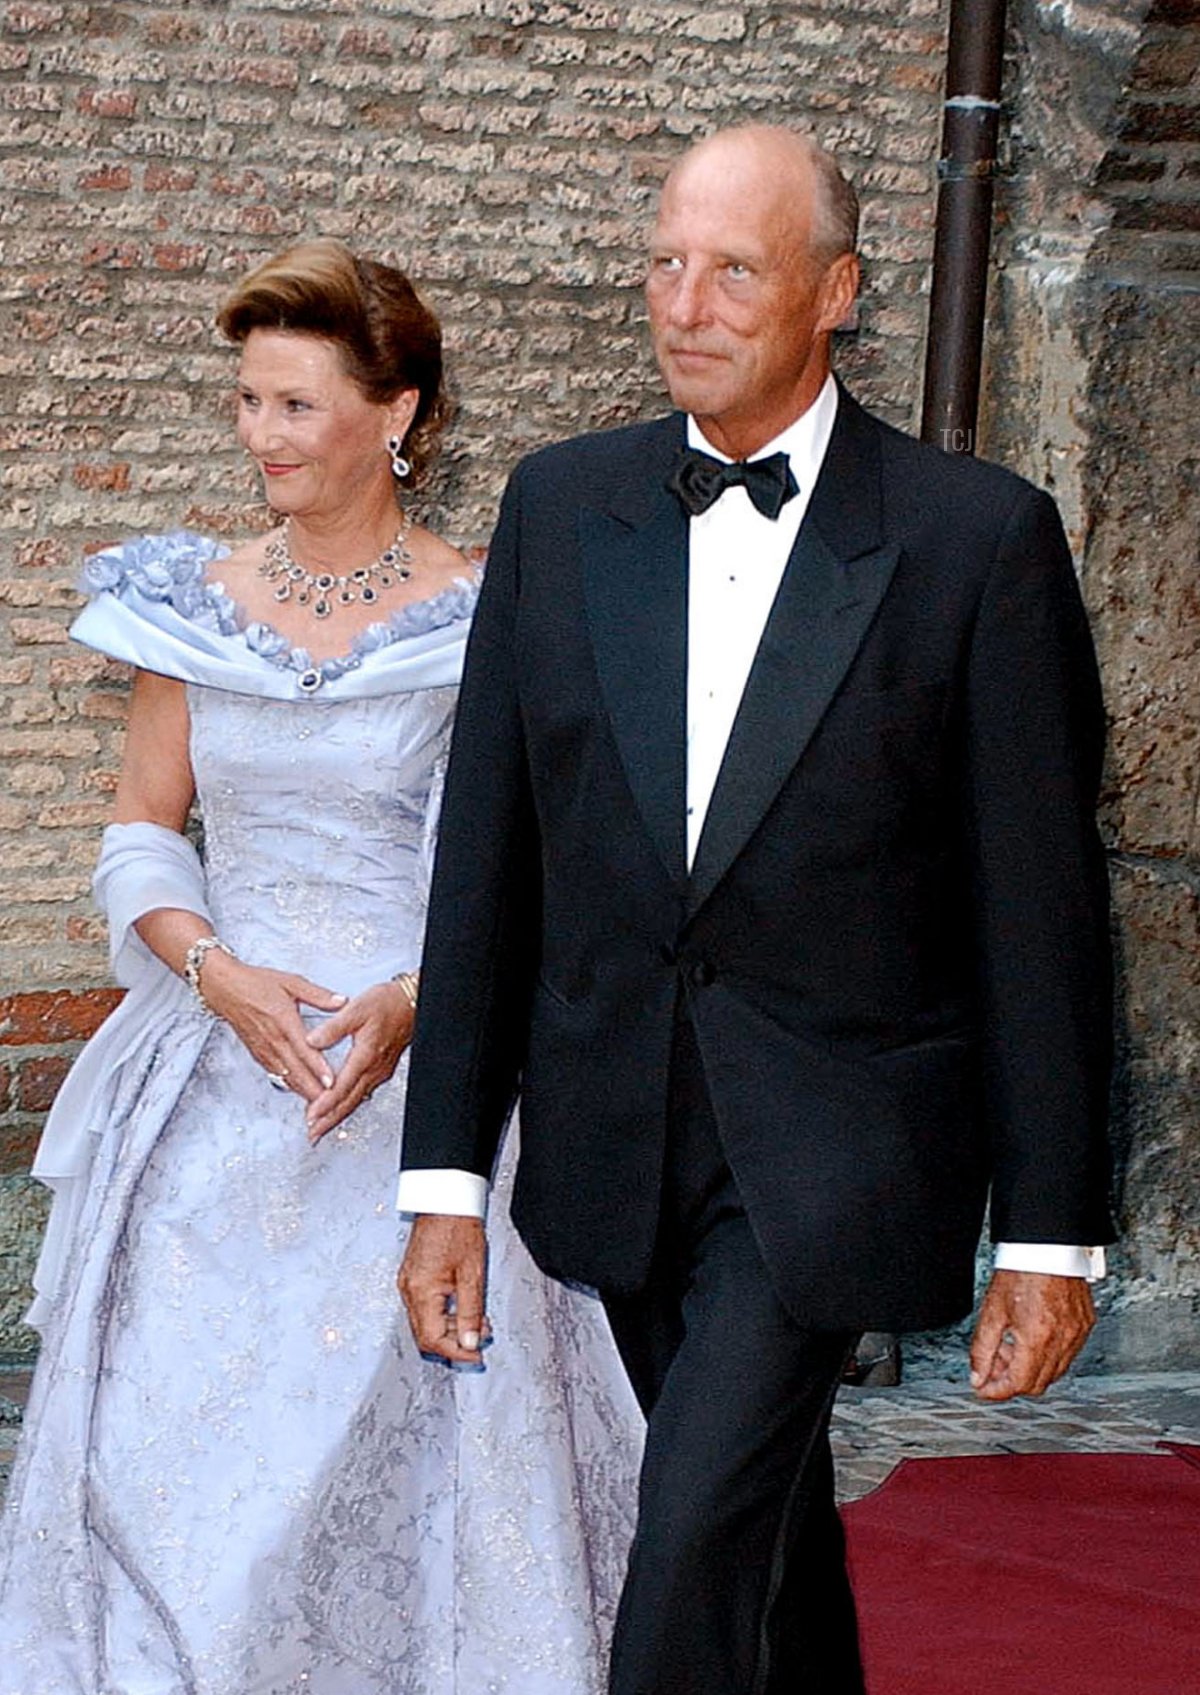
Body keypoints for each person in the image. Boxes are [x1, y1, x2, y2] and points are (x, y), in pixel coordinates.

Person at [396, 127, 1116, 1695]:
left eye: (735, 268)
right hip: (617, 1130)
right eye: (664, 263)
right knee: (764, 1535)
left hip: (844, 1146)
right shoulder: (563, 505)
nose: (686, 304)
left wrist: (1052, 1236)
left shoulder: (975, 540)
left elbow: (1042, 917)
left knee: (693, 1537)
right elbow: (488, 865)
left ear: (837, 292)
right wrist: (441, 1174)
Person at [0, 239, 641, 1695]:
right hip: (209, 1091)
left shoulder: (493, 612)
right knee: (168, 1465)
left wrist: (425, 999)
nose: (263, 438)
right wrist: (210, 966)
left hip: (408, 1087)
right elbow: (141, 834)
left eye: (296, 405)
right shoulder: (188, 606)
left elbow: (537, 862)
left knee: (388, 1462)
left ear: (397, 413)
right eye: (248, 402)